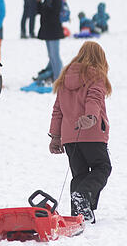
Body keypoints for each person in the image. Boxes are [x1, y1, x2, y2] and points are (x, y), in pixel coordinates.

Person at [48, 41, 112, 223]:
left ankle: (80, 215)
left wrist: (55, 137)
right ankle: (83, 196)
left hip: (70, 138)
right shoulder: (96, 75)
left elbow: (57, 110)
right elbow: (95, 98)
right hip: (92, 134)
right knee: (102, 168)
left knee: (80, 174)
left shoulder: (64, 77)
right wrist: (91, 117)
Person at [36, 0, 64, 82]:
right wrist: (39, 2)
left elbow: (54, 13)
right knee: (51, 55)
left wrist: (44, 6)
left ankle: (58, 78)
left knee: (55, 55)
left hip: (54, 31)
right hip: (48, 31)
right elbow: (39, 12)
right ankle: (55, 75)